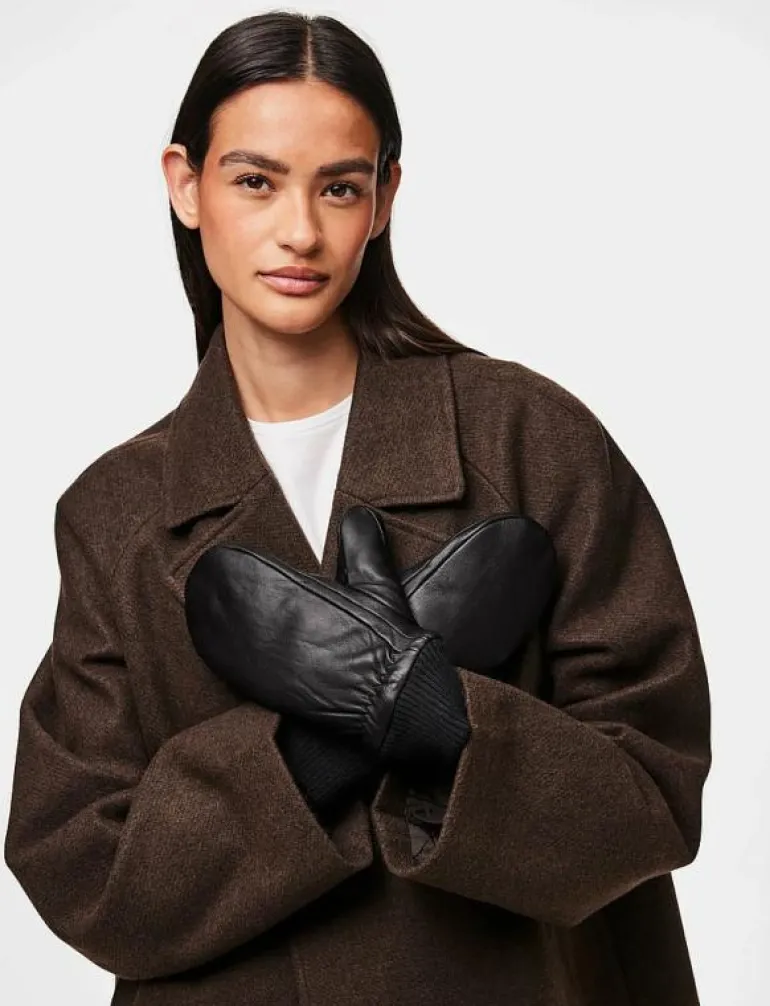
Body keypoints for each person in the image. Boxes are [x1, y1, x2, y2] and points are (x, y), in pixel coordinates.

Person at [4, 10, 712, 1006]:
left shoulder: (529, 439)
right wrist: (310, 753)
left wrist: (446, 725)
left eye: (338, 186)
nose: (300, 230)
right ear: (185, 185)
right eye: (255, 180)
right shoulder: (115, 512)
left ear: (383, 199)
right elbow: (83, 866)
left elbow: (654, 795)